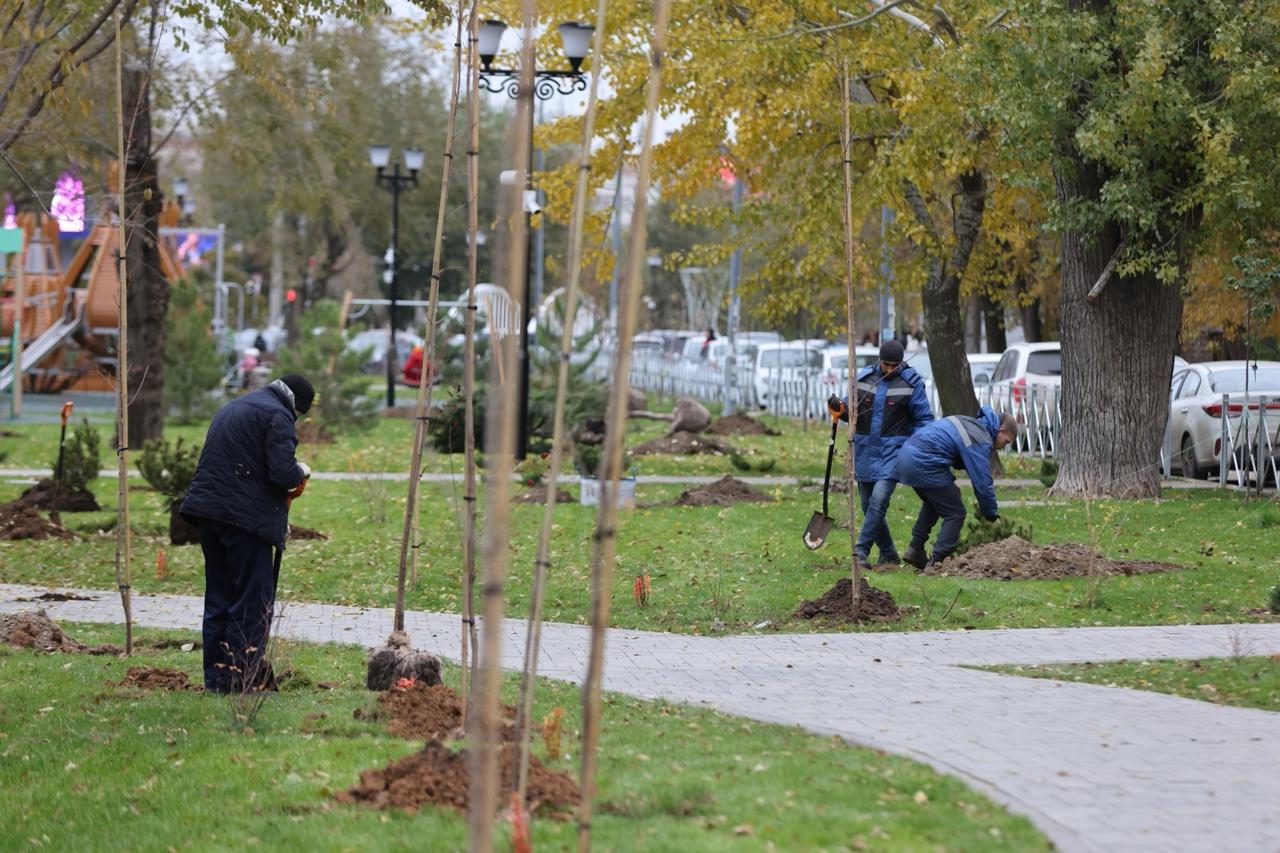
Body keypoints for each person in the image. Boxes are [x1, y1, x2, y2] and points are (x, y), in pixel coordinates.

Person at [181, 374, 315, 693]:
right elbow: (282, 472)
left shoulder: (237, 405)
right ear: (296, 405)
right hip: (243, 520)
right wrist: (302, 472)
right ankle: (242, 676)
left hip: (208, 513)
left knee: (220, 596)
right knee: (252, 600)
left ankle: (217, 679)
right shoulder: (277, 414)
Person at [827, 339, 934, 570]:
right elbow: (850, 411)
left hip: (894, 452)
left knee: (878, 501)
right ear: (879, 360)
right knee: (867, 505)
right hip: (864, 450)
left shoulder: (912, 383)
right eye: (886, 364)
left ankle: (860, 551)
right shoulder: (864, 378)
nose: (890, 369)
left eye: (895, 365)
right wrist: (840, 408)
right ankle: (888, 554)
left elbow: (924, 420)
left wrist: (912, 446)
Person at [895, 406, 1018, 571]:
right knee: (955, 513)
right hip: (923, 461)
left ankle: (915, 549)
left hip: (907, 455)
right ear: (1001, 430)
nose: (1003, 447)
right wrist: (990, 514)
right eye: (1006, 441)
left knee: (936, 502)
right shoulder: (980, 437)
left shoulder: (972, 425)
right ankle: (937, 563)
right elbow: (983, 484)